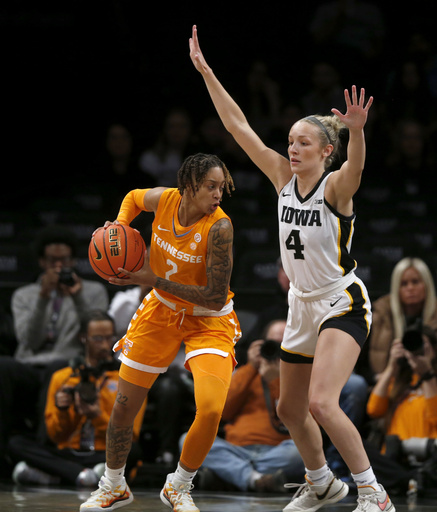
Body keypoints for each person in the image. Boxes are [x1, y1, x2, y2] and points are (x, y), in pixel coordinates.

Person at [189, 25, 394, 512]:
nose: (293, 148)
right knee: (289, 408)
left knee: (323, 403)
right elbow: (238, 128)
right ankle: (322, 483)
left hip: (341, 300)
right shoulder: (282, 176)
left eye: (304, 143)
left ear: (326, 150)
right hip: (300, 305)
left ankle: (373, 493)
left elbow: (358, 168)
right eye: (290, 141)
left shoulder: (335, 188)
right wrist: (206, 71)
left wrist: (358, 131)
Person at [80, 153, 241, 512]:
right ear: (188, 187)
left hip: (208, 319)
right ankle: (114, 484)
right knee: (124, 406)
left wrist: (153, 280)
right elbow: (134, 198)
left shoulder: (219, 228)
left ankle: (179, 486)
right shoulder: (165, 199)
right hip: (162, 311)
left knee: (212, 408)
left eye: (221, 187)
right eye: (211, 186)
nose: (218, 194)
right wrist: (119, 228)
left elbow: (215, 298)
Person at [0, 225, 109, 467]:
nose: (59, 266)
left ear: (74, 260)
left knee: (57, 368)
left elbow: (94, 335)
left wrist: (77, 298)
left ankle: (43, 453)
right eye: (53, 260)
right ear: (42, 262)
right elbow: (29, 340)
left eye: (65, 260)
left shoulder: (93, 292)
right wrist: (43, 296)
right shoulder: (24, 295)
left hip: (67, 366)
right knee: (3, 367)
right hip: (28, 367)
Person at [8, 310, 145, 487]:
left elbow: (131, 434)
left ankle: (57, 475)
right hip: (68, 450)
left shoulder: (128, 379)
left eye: (109, 338)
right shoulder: (63, 377)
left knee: (132, 450)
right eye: (97, 339)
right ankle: (82, 475)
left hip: (104, 452)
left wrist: (98, 417)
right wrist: (63, 410)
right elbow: (55, 436)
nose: (105, 345)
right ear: (83, 338)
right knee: (16, 443)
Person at [188, 318, 305, 493]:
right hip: (236, 448)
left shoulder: (300, 376)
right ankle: (257, 479)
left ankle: (233, 476)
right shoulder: (245, 373)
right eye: (272, 344)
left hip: (278, 450)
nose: (276, 350)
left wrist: (275, 380)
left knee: (301, 452)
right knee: (188, 440)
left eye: (283, 343)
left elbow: (298, 420)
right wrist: (251, 367)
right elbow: (223, 411)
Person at [366, 324, 437, 494]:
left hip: (431, 457)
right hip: (394, 458)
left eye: (422, 344)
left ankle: (406, 481)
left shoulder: (433, 381)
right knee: (352, 445)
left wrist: (427, 374)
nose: (416, 349)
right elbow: (373, 410)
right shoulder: (399, 382)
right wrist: (391, 367)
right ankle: (413, 480)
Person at [366, 257, 437, 383]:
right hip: (388, 383)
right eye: (404, 284)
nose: (410, 288)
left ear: (427, 284)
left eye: (415, 282)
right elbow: (362, 362)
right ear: (396, 288)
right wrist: (381, 376)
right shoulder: (381, 315)